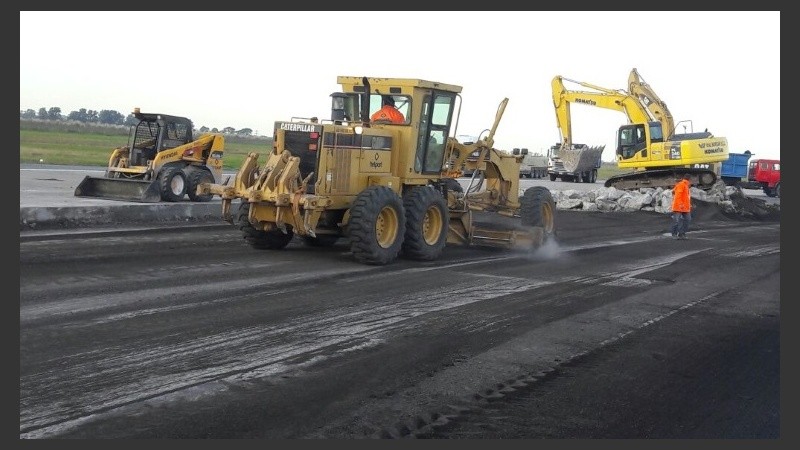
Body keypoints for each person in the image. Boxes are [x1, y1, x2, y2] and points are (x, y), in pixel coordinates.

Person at [671, 174, 692, 239]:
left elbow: (674, 192)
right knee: (678, 220)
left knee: (687, 219)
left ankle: (681, 234)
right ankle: (675, 234)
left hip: (684, 207)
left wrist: (688, 204)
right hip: (679, 206)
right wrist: (681, 204)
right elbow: (678, 195)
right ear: (689, 179)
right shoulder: (682, 184)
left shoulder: (684, 185)